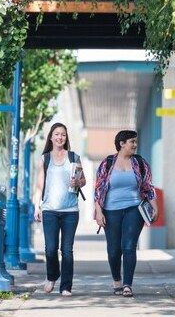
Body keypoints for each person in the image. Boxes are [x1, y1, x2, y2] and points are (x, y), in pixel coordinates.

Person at [94, 130, 157, 298]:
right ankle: (117, 280)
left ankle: (128, 284)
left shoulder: (140, 163)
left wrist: (154, 206)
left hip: (134, 210)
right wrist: (99, 212)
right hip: (110, 210)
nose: (135, 145)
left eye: (135, 142)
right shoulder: (107, 163)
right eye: (132, 142)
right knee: (114, 250)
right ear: (121, 144)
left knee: (129, 246)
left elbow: (148, 187)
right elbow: (98, 189)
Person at [33, 123, 86, 296]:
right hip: (49, 209)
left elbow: (83, 180)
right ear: (51, 137)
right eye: (56, 134)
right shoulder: (44, 159)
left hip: (70, 210)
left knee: (67, 250)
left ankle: (65, 286)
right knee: (50, 249)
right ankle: (52, 275)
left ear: (66, 137)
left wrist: (77, 182)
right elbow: (39, 186)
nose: (60, 137)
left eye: (63, 134)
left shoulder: (73, 157)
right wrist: (37, 206)